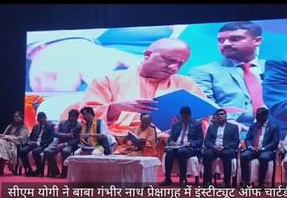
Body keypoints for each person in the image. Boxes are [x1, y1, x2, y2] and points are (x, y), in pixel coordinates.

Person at [63, 38, 207, 134]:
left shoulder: (186, 84)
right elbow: (85, 117)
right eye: (169, 60)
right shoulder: (107, 80)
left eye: (180, 64)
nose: (174, 68)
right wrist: (115, 107)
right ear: (148, 54)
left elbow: (206, 118)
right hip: (116, 142)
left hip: (167, 143)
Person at [189, 21, 265, 126]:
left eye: (235, 39)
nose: (225, 44)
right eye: (220, 40)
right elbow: (204, 105)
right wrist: (227, 121)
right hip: (231, 128)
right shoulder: (204, 71)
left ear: (257, 41)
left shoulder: (274, 68)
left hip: (279, 127)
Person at [162, 106, 204, 186]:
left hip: (189, 148)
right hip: (176, 146)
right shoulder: (176, 124)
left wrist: (190, 143)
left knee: (182, 151)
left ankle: (183, 179)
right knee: (169, 151)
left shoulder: (196, 124)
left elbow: (200, 140)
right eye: (182, 117)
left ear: (190, 116)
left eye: (186, 117)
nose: (184, 119)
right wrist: (172, 143)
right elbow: (170, 138)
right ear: (180, 116)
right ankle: (167, 178)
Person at [240, 107, 280, 188]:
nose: (257, 117)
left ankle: (261, 183)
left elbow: (275, 142)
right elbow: (247, 139)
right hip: (253, 149)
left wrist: (263, 149)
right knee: (244, 156)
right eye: (256, 115)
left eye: (259, 115)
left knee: (264, 157)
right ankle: (245, 181)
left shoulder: (274, 126)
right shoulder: (253, 125)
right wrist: (250, 147)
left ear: (265, 116)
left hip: (266, 150)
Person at [202, 108, 240, 187]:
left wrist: (224, 147)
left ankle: (226, 182)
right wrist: (213, 147)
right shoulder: (211, 127)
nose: (220, 116)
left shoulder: (233, 127)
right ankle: (207, 181)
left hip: (226, 149)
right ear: (216, 117)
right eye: (218, 115)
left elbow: (236, 142)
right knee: (207, 154)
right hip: (214, 149)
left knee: (227, 154)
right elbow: (206, 141)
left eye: (222, 114)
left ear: (226, 116)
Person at [44, 109, 82, 178]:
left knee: (65, 151)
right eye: (70, 116)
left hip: (69, 144)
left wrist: (65, 144)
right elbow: (55, 133)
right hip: (59, 141)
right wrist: (65, 135)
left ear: (77, 117)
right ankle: (55, 172)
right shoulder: (62, 123)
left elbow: (77, 140)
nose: (71, 118)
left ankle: (64, 173)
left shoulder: (79, 126)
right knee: (47, 151)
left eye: (73, 117)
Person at [0, 111, 29, 175]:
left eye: (17, 117)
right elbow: (3, 135)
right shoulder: (10, 126)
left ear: (21, 118)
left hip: (14, 144)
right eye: (14, 116)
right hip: (5, 142)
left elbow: (20, 139)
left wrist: (9, 137)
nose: (15, 118)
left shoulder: (24, 128)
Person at [19, 112, 55, 176]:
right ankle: (29, 168)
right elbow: (31, 137)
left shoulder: (50, 127)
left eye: (43, 118)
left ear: (46, 118)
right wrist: (29, 142)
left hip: (42, 144)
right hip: (33, 143)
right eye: (40, 118)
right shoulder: (35, 127)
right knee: (22, 150)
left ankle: (39, 170)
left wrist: (38, 143)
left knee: (35, 152)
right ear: (37, 119)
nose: (41, 120)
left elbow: (50, 139)